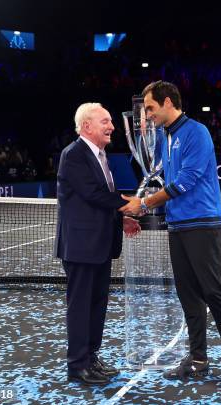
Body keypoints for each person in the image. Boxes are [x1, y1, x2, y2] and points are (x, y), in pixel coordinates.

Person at [122, 81, 221, 386]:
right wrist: (146, 202)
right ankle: (198, 359)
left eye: (150, 108)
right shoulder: (164, 138)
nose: (147, 115)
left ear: (167, 103)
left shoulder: (197, 132)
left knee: (213, 291)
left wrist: (146, 203)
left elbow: (186, 181)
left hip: (202, 222)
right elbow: (164, 179)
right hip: (177, 225)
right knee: (188, 295)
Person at [55, 102, 141, 385]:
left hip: (100, 245)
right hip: (81, 247)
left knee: (97, 305)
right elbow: (93, 194)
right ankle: (77, 365)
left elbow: (98, 200)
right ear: (87, 126)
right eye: (105, 121)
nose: (112, 126)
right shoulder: (74, 155)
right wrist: (130, 205)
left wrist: (122, 219)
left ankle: (91, 357)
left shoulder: (101, 156)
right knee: (80, 308)